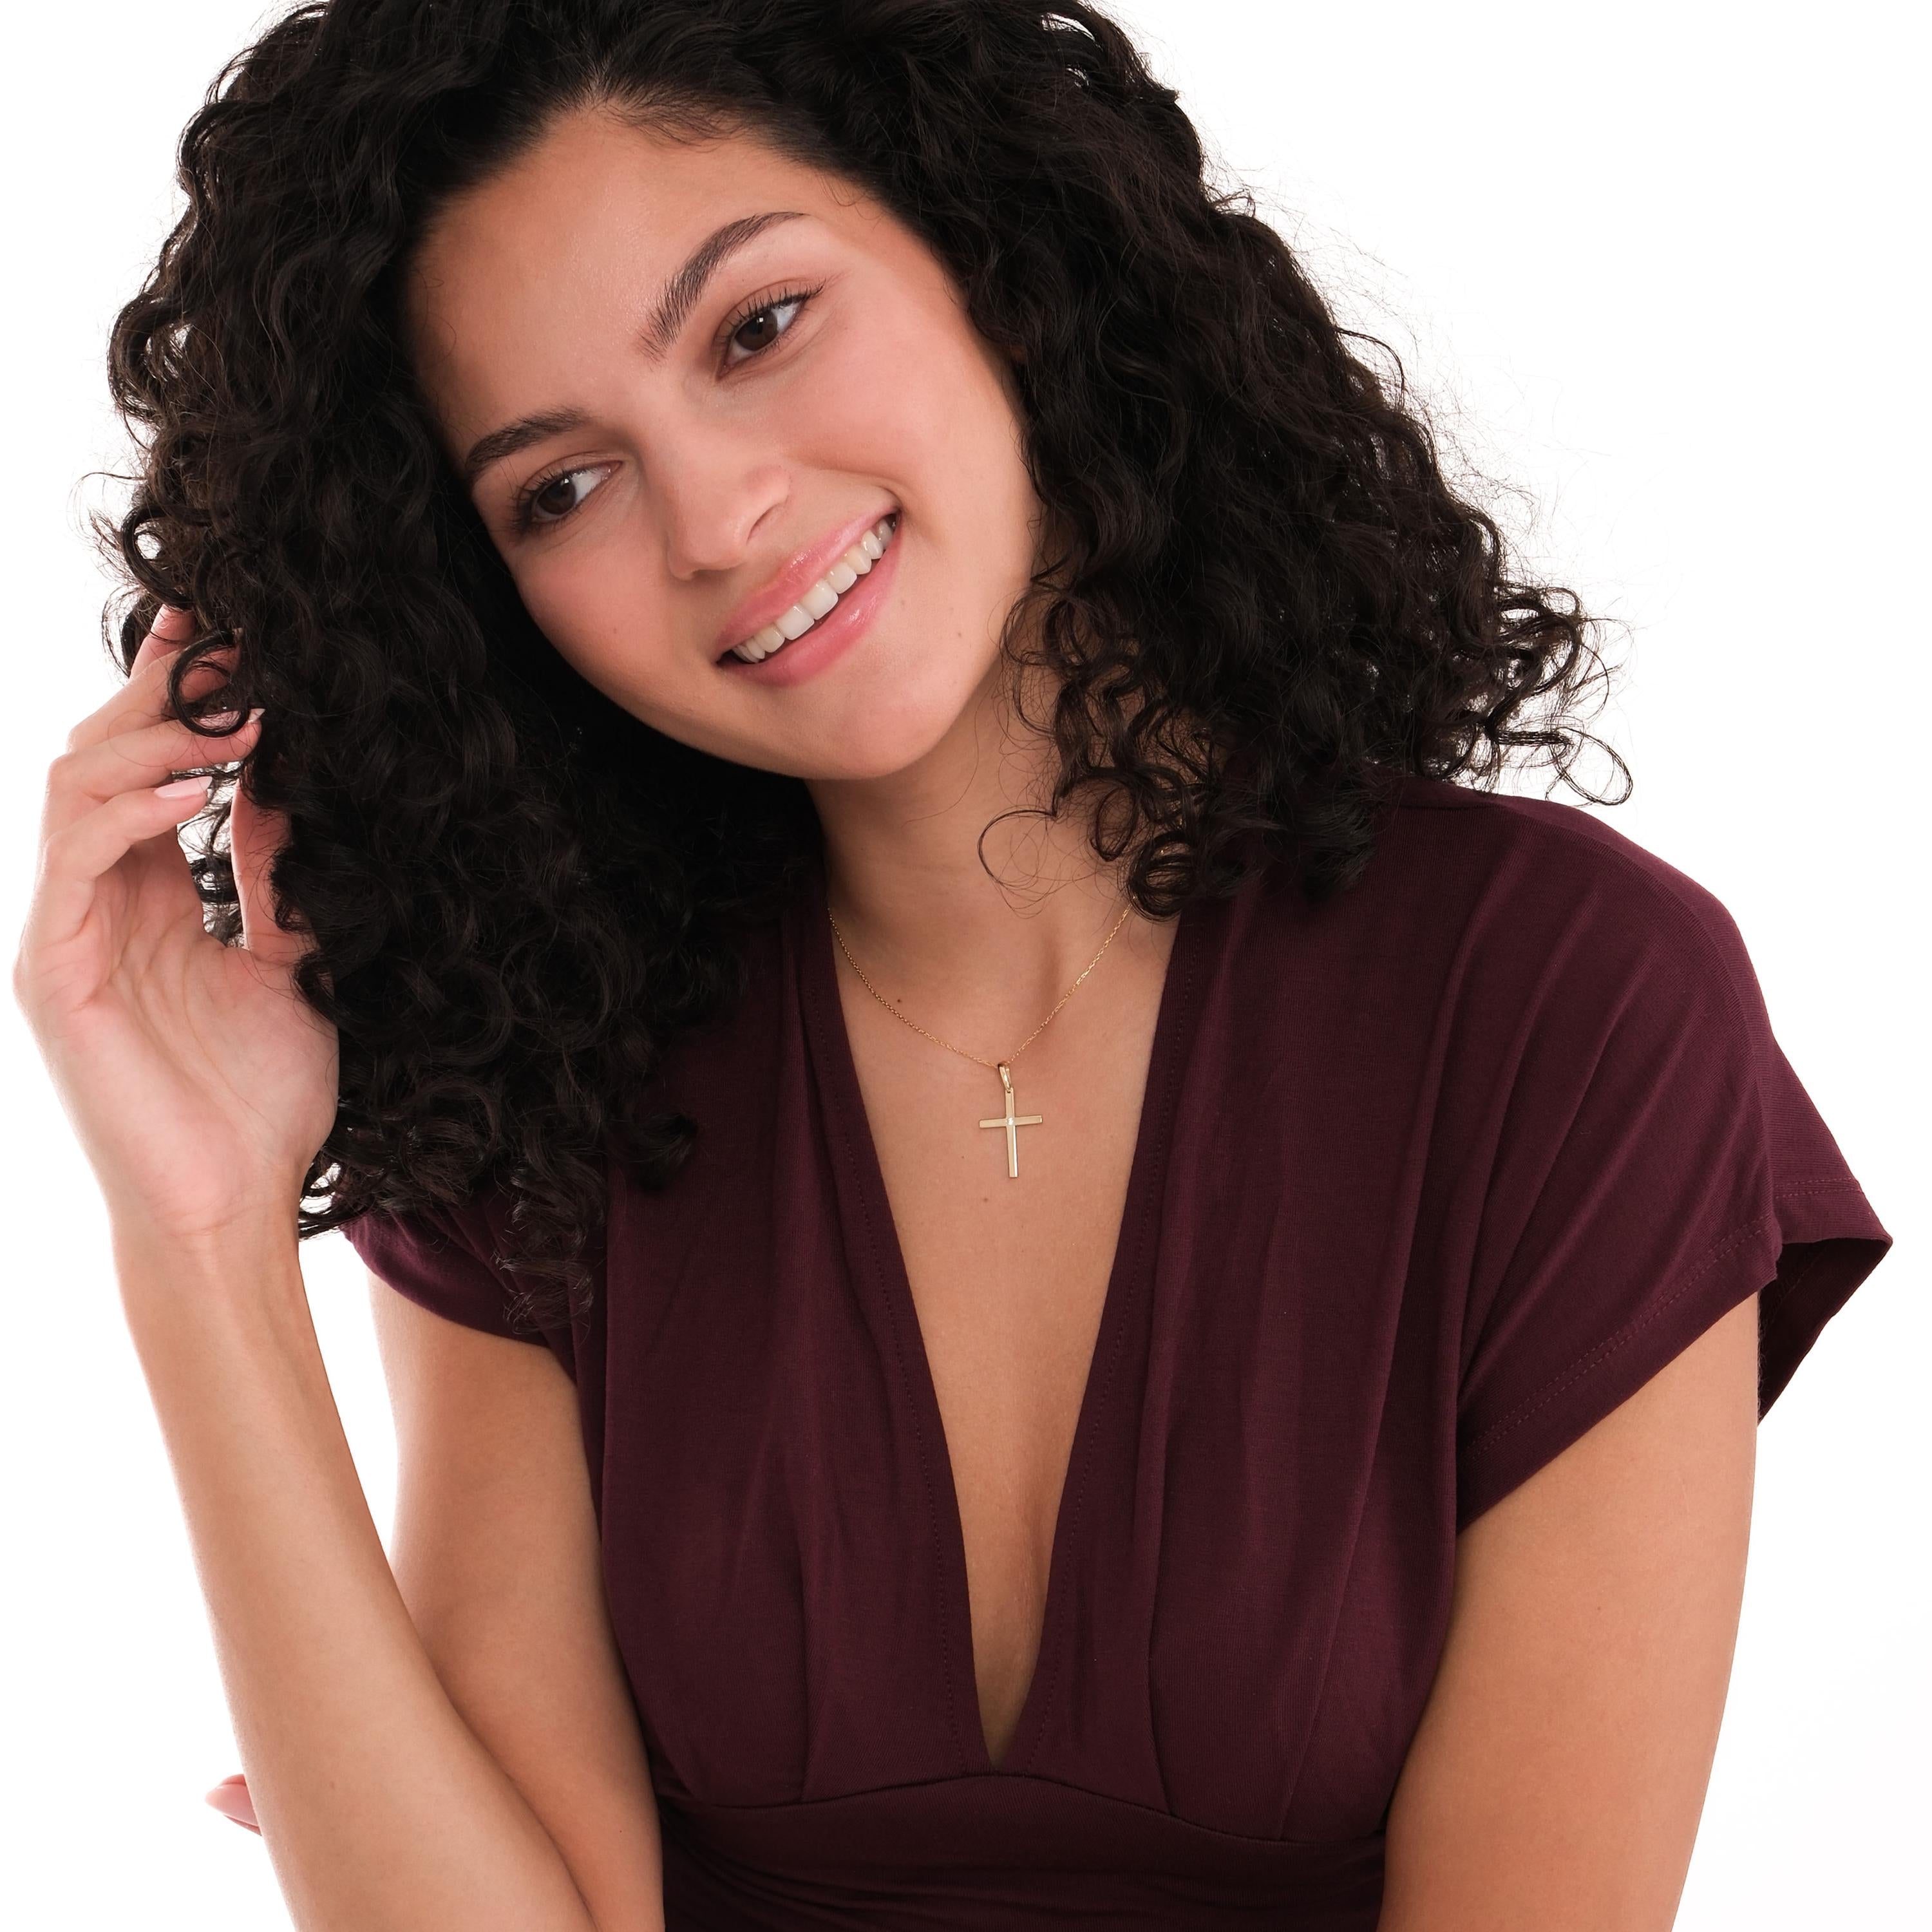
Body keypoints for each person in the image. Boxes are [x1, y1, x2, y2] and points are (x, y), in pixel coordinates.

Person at [15, 1, 1894, 1927]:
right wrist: (197, 1228)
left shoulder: (1563, 1004)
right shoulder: (547, 1083)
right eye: (559, 488)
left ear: (997, 249)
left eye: (758, 327)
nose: (721, 519)